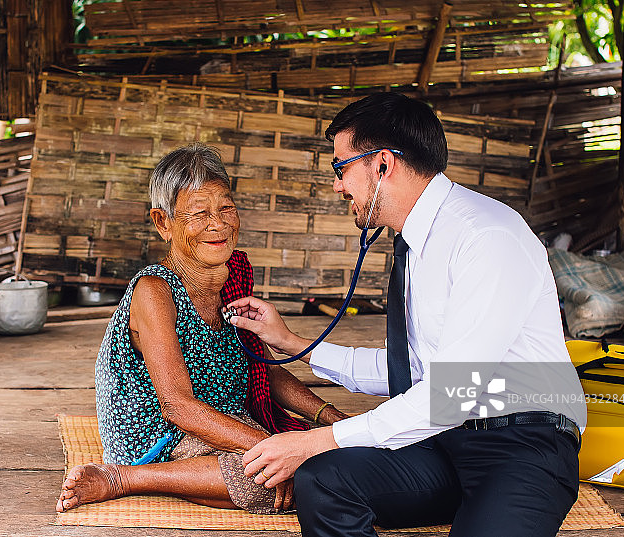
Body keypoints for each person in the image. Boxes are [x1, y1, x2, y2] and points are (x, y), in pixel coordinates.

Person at [227, 93, 588, 537]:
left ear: (382, 164)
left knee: (319, 456)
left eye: (342, 168)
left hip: (522, 443)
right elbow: (413, 370)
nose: (338, 185)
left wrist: (317, 439)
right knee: (323, 481)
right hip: (446, 439)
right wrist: (295, 345)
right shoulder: (415, 244)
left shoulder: (486, 236)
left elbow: (454, 392)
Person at [56, 143, 348, 515]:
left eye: (226, 207)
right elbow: (177, 407)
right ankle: (124, 478)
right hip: (164, 435)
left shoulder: (233, 274)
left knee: (326, 464)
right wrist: (271, 447)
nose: (218, 224)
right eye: (198, 213)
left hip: (222, 421)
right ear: (164, 223)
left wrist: (331, 419)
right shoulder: (155, 291)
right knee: (274, 477)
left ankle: (219, 471)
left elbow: (265, 370)